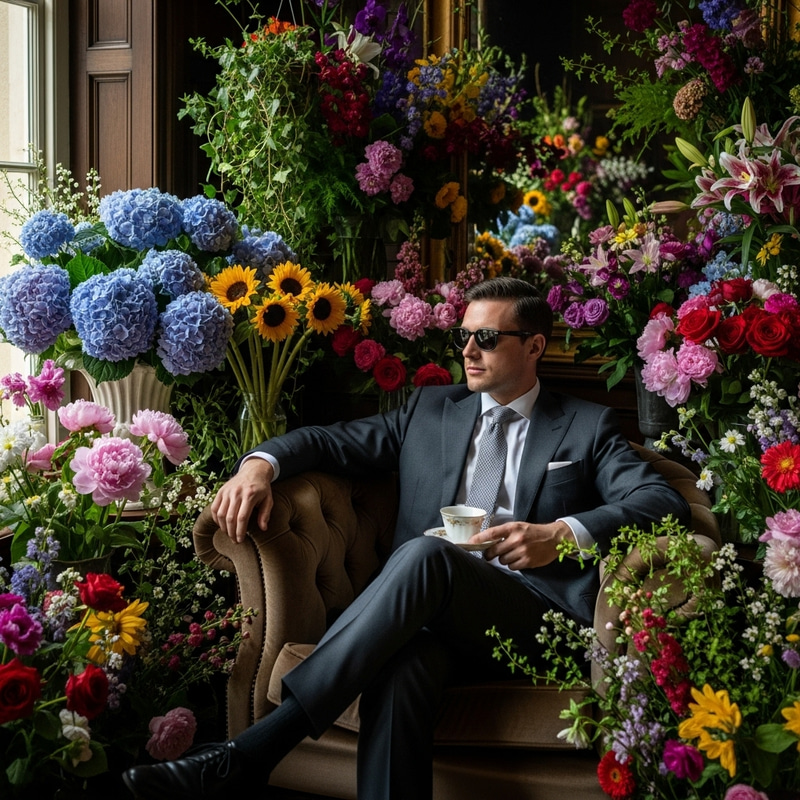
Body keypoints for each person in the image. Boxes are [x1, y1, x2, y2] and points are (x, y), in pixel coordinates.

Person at [123, 276, 690, 800]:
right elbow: (329, 440)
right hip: (425, 619)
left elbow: (661, 501)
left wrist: (560, 533)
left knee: (426, 553)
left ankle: (253, 751)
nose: (468, 352)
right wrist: (258, 466)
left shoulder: (586, 424)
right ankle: (244, 762)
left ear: (534, 346)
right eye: (463, 337)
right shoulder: (429, 410)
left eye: (487, 338)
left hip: (531, 619)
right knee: (402, 667)